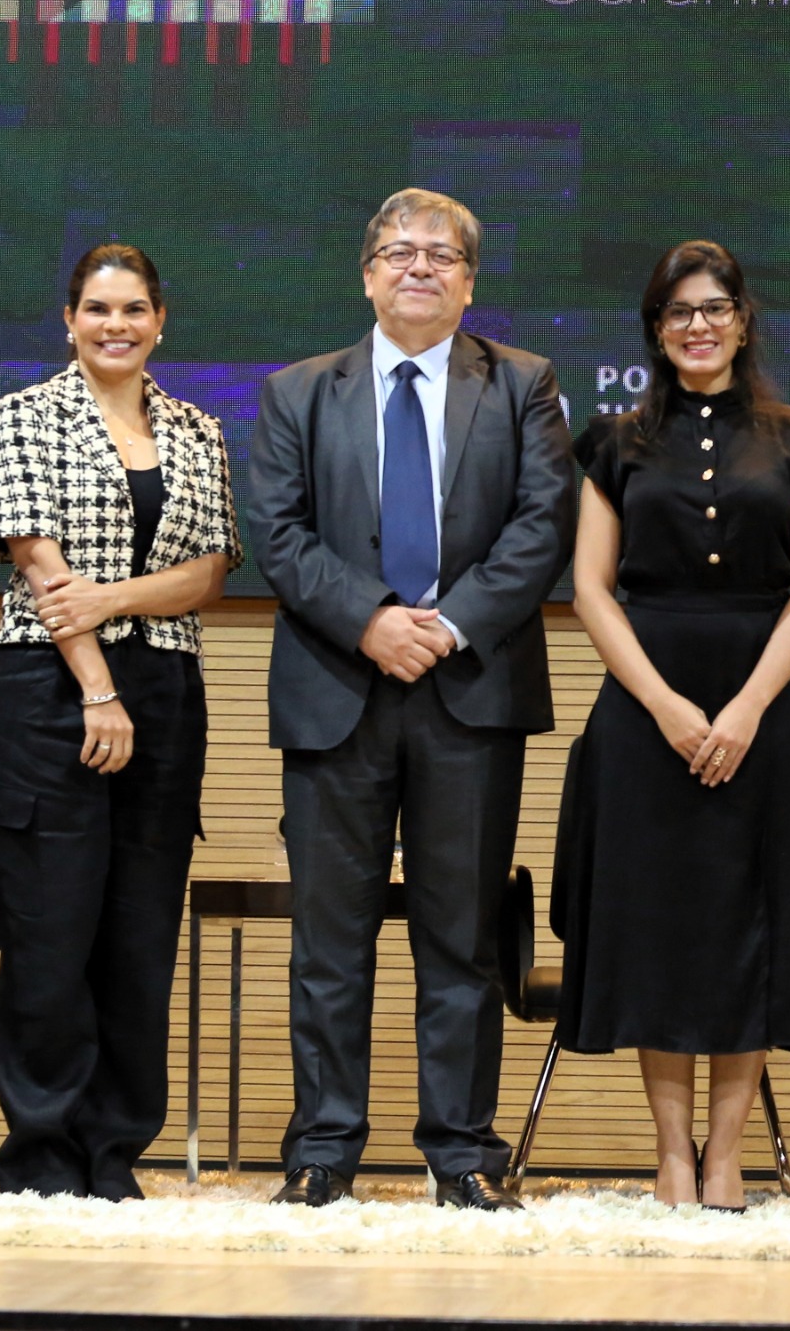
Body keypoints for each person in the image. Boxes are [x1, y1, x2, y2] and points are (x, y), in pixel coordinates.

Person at [250, 188, 576, 1211]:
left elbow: (542, 522)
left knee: (463, 936)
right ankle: (321, 1150)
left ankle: (462, 1152)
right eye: (398, 251)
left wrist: (445, 625)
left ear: (470, 281)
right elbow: (278, 533)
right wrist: (373, 621)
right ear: (367, 275)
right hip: (335, 688)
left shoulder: (521, 383)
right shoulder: (299, 391)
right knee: (328, 941)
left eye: (441, 253)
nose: (419, 266)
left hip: (468, 688)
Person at [553, 241, 790, 1210]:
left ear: (744, 319)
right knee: (662, 927)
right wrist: (666, 705)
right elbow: (591, 588)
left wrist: (749, 704)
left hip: (770, 705)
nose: (698, 326)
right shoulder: (614, 440)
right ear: (656, 328)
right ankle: (672, 1154)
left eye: (715, 307)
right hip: (648, 711)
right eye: (678, 311)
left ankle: (726, 1155)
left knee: (752, 920)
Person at [0, 243, 242, 1199]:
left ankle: (114, 1152)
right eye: (97, 308)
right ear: (69, 319)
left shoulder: (199, 429)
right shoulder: (24, 414)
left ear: (160, 321)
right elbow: (40, 566)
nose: (115, 325)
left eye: (133, 309)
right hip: (50, 692)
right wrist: (96, 687)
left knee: (140, 934)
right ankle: (44, 1155)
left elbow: (209, 572)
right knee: (50, 934)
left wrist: (116, 598)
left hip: (167, 689)